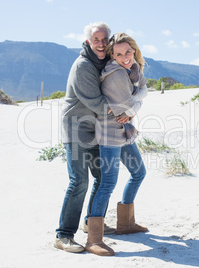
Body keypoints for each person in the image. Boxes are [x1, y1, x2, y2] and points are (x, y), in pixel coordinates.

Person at [54, 22, 118, 253]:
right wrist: (125, 111)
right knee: (79, 181)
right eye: (96, 39)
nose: (101, 43)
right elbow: (98, 103)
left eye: (105, 39)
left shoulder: (105, 62)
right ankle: (63, 235)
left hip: (96, 129)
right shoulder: (83, 65)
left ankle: (92, 222)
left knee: (102, 177)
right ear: (89, 41)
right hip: (77, 129)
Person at [85, 33, 148, 257]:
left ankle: (126, 224)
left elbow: (144, 90)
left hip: (124, 130)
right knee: (108, 183)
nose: (124, 58)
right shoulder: (117, 74)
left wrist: (133, 106)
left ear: (134, 50)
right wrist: (135, 105)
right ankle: (94, 239)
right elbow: (130, 102)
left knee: (138, 172)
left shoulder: (133, 70)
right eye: (119, 54)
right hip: (111, 133)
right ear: (112, 55)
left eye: (128, 52)